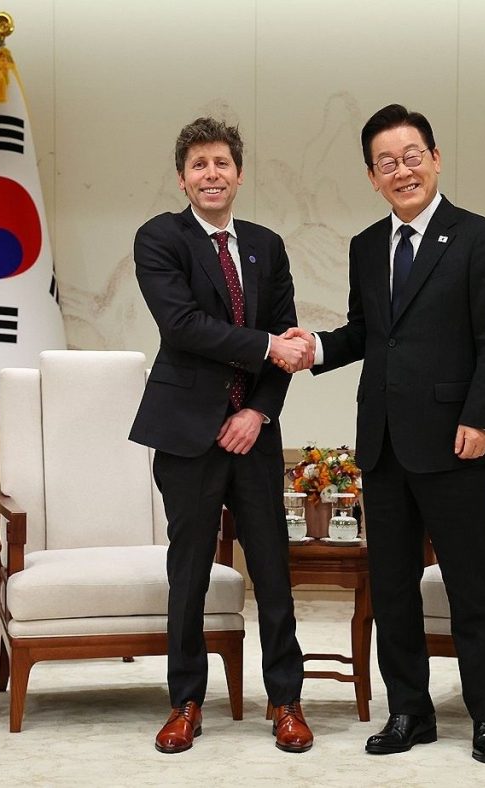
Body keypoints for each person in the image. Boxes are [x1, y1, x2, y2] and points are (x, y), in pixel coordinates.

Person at [281, 104, 485, 763]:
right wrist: (315, 348)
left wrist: (481, 417)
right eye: (386, 162)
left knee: (472, 585)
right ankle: (410, 712)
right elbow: (368, 333)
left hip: (456, 441)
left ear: (435, 159)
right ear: (372, 176)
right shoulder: (366, 246)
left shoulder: (480, 238)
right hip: (384, 443)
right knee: (391, 589)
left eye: (412, 156)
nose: (402, 170)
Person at [129, 117, 314, 754]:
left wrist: (257, 412)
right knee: (189, 573)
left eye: (222, 164)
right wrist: (266, 346)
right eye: (199, 165)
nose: (212, 174)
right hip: (187, 434)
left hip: (253, 434)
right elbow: (183, 326)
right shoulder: (160, 238)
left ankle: (285, 701)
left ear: (239, 174)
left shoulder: (267, 245)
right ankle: (185, 702)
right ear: (183, 179)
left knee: (274, 573)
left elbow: (288, 339)